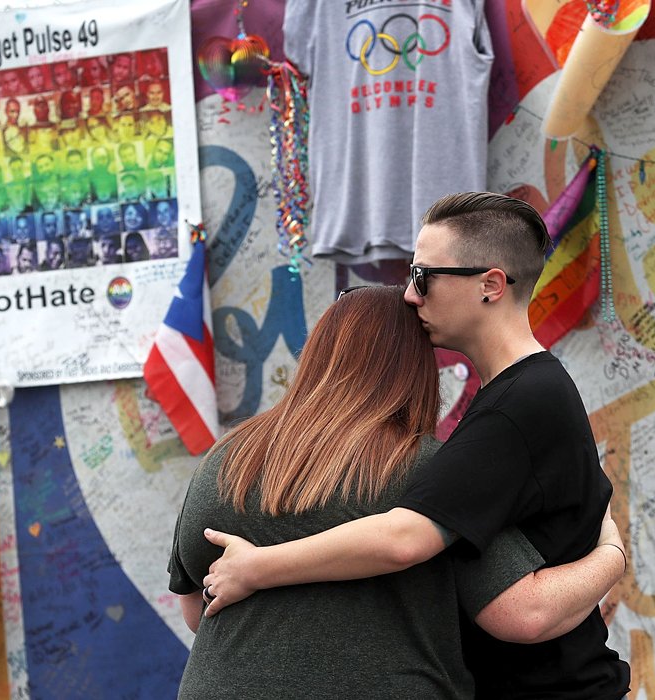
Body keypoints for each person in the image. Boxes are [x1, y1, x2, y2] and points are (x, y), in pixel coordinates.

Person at [201, 193, 631, 699]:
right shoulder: (521, 395)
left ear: (490, 285)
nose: (409, 294)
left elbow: (404, 538)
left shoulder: (520, 405)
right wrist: (611, 556)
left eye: (424, 277)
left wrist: (258, 567)